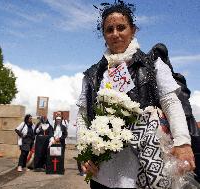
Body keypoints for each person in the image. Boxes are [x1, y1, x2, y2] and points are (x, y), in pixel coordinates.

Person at [77, 1, 195, 188]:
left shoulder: (153, 65)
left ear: (133, 30)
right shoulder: (93, 75)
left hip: (144, 173)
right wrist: (84, 153)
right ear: (104, 35)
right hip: (103, 175)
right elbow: (83, 116)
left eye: (121, 27)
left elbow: (171, 103)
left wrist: (182, 143)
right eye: (109, 30)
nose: (115, 34)